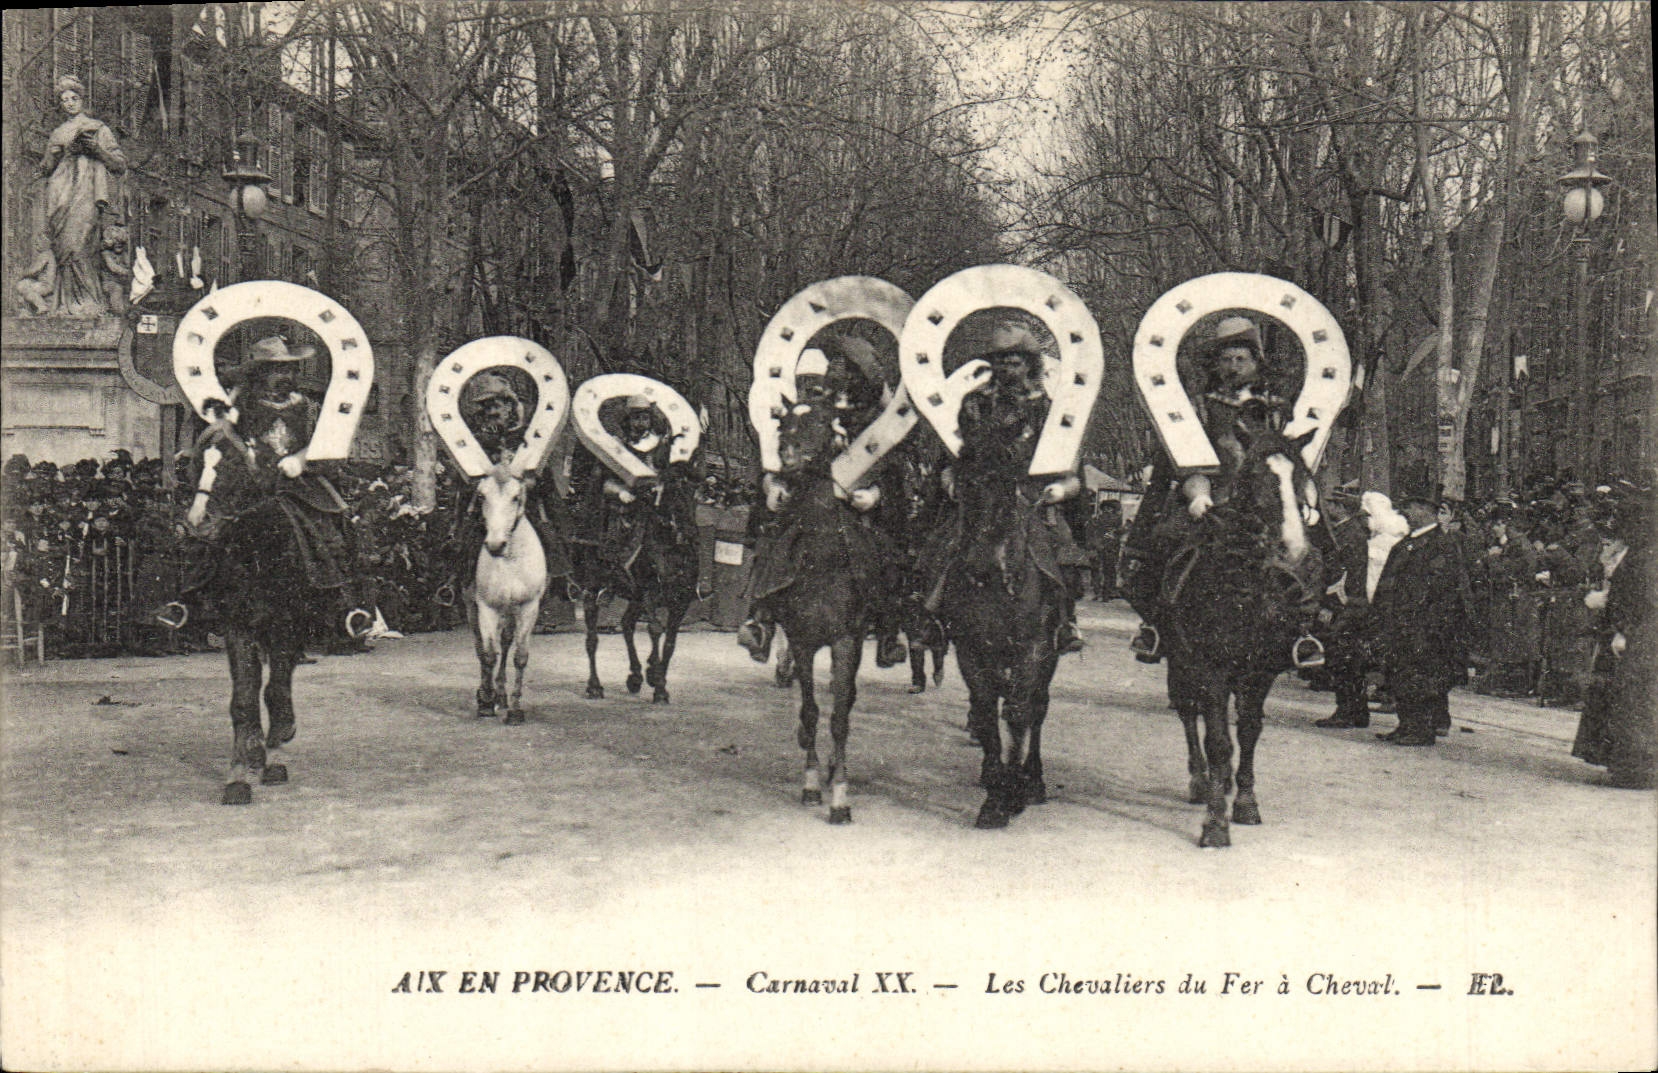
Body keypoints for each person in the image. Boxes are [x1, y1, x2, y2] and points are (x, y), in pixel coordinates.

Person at [1121, 314, 1292, 661]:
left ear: (1256, 362)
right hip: (1211, 500)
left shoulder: (1278, 409)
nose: (1233, 366)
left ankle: (1304, 634)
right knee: (1166, 541)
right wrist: (1198, 495)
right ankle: (1156, 625)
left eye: (1241, 359)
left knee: (1310, 554)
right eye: (1226, 359)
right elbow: (1190, 458)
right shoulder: (1202, 406)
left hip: (1268, 504)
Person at [158, 337, 358, 634]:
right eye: (277, 369)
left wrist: (301, 459)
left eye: (289, 369)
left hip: (296, 483)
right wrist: (202, 495)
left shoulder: (308, 407)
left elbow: (326, 444)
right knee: (211, 532)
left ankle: (347, 608)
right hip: (249, 482)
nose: (285, 375)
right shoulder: (240, 406)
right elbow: (219, 445)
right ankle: (186, 601)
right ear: (261, 373)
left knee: (330, 530)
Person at [917, 321, 1088, 653]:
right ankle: (932, 618)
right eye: (1000, 362)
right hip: (978, 491)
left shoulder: (1045, 408)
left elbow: (1065, 457)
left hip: (1031, 494)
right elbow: (957, 450)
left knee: (1061, 544)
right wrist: (951, 479)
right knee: (942, 544)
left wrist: (1060, 488)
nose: (1007, 369)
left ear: (1029, 365)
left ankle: (1065, 621)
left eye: (1015, 362)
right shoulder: (973, 403)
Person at [439, 372, 573, 602]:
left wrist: (530, 482)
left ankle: (564, 580)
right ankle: (452, 583)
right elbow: (465, 475)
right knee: (467, 536)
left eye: (496, 405)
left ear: (509, 406)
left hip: (522, 500)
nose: (491, 411)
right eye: (486, 407)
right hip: (487, 502)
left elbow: (541, 473)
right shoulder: (475, 440)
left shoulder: (527, 436)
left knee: (547, 531)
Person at [1370, 475, 1472, 745]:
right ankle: (1406, 725)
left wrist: (1426, 626)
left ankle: (1421, 730)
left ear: (1427, 511)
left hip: (1422, 628)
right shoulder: (1408, 543)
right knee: (1400, 676)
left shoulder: (1441, 544)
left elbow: (1442, 590)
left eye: (1411, 506)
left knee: (1420, 679)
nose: (1405, 512)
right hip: (1400, 625)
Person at [1572, 485, 1655, 788]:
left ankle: (1635, 769)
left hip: (1635, 639)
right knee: (1623, 699)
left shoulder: (1645, 556)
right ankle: (1625, 764)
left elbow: (1645, 600)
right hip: (1630, 634)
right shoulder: (1638, 553)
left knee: (1633, 701)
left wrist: (1624, 632)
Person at [38, 76, 128, 316]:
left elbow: (119, 164)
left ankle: (88, 301)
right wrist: (55, 155)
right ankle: (65, 304)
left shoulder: (98, 128)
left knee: (80, 245)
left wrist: (96, 149)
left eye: (74, 98)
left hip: (86, 192)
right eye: (64, 100)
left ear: (82, 99)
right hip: (61, 193)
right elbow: (46, 167)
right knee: (63, 246)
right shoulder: (58, 132)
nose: (69, 103)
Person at [1479, 507, 1541, 697]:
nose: (1495, 528)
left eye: (1500, 524)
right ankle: (1505, 681)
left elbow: (1506, 572)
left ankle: (1514, 684)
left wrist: (1493, 558)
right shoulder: (1509, 544)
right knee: (1507, 637)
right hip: (1510, 598)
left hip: (1516, 599)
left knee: (1514, 637)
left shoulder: (1518, 546)